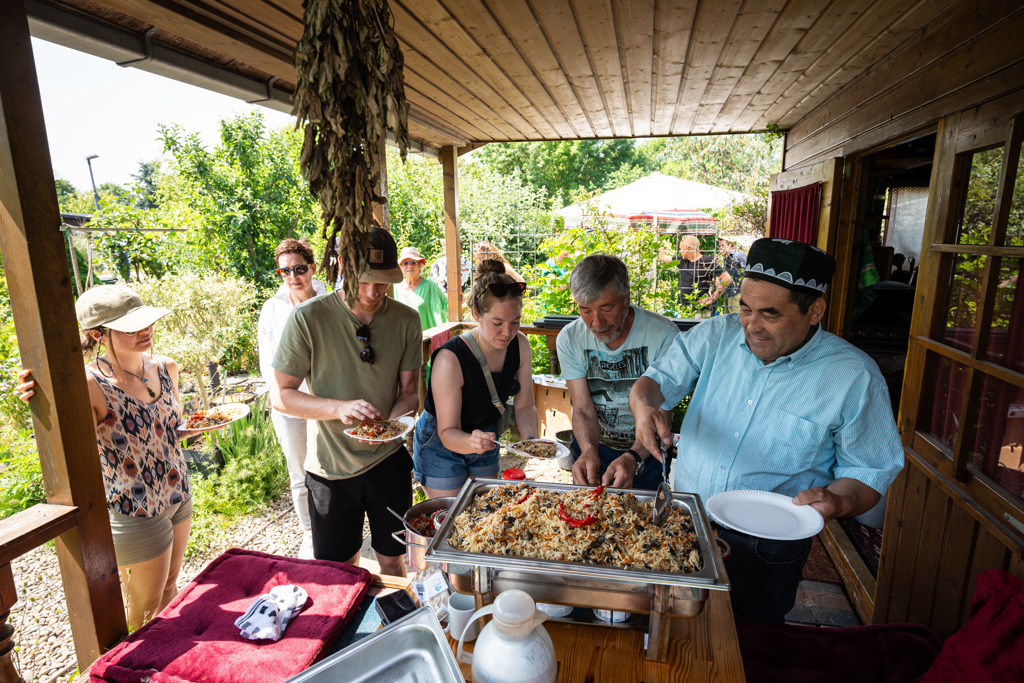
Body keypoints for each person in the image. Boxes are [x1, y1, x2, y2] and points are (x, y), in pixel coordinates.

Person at [630, 238, 904, 623]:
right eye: (745, 309)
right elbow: (653, 383)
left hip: (770, 544)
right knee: (668, 622)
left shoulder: (853, 377)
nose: (751, 326)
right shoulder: (717, 336)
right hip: (687, 518)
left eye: (769, 314)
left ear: (814, 311)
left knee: (751, 640)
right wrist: (644, 409)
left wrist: (837, 501)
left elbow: (868, 471)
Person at [15, 285, 203, 630]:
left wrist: (196, 428)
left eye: (145, 322)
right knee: (145, 608)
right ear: (96, 334)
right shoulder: (89, 384)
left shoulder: (166, 367)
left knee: (172, 588)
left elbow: (170, 428)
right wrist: (41, 397)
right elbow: (70, 442)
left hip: (179, 492)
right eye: (131, 327)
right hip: (136, 507)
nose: (145, 331)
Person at [270, 227, 421, 575]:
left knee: (391, 559)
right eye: (363, 280)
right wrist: (338, 408)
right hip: (330, 470)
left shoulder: (406, 320)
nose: (372, 292)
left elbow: (410, 392)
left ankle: (395, 622)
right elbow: (281, 396)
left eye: (382, 282)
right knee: (339, 570)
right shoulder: (308, 317)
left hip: (387, 461)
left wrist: (389, 428)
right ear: (342, 267)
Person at [413, 259, 539, 498]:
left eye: (515, 322)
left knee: (484, 510)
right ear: (476, 314)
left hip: (484, 433)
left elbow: (525, 405)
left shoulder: (520, 344)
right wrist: (472, 442)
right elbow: (448, 431)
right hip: (442, 440)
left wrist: (532, 443)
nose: (507, 333)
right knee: (451, 516)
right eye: (497, 323)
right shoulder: (450, 359)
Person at [556, 254, 678, 491]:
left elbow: (662, 413)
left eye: (607, 308)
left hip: (648, 451)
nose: (597, 323)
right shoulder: (570, 338)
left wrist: (633, 457)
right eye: (585, 310)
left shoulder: (663, 335)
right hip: (594, 446)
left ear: (626, 298)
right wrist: (589, 450)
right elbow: (581, 408)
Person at [257, 238, 325, 560]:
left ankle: (332, 526)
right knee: (299, 473)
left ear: (312, 267)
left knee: (329, 469)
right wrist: (279, 399)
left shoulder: (332, 300)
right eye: (285, 271)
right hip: (290, 404)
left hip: (326, 402)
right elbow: (268, 360)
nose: (293, 276)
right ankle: (309, 533)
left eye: (299, 268)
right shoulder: (273, 308)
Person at [658, 234, 731, 316]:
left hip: (703, 312)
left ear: (687, 248)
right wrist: (656, 235)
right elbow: (662, 257)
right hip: (686, 311)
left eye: (681, 249)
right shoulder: (681, 261)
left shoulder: (707, 262)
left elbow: (727, 279)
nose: (680, 251)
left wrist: (712, 298)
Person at [395, 246, 448, 330]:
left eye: (413, 262)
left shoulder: (430, 286)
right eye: (405, 263)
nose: (409, 266)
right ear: (400, 266)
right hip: (401, 339)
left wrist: (460, 301)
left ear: (419, 265)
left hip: (424, 339)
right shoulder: (395, 287)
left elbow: (447, 305)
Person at [717, 235, 747, 314]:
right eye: (719, 246)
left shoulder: (739, 255)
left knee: (735, 319)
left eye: (722, 245)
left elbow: (748, 272)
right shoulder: (726, 258)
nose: (720, 248)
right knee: (727, 318)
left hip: (737, 293)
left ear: (730, 245)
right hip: (727, 292)